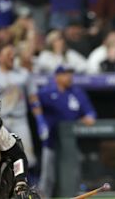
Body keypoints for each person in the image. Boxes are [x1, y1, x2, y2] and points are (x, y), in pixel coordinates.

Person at [37, 65, 96, 197]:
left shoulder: (77, 92)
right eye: (65, 74)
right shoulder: (46, 92)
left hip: (70, 142)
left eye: (70, 73)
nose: (69, 77)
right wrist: (41, 121)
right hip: (51, 140)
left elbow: (90, 111)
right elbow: (34, 104)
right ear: (57, 77)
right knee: (48, 176)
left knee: (73, 173)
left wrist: (89, 117)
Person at [0, 44, 40, 171]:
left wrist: (40, 119)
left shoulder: (23, 73)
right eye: (8, 54)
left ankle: (25, 186)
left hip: (19, 119)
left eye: (13, 54)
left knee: (27, 156)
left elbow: (33, 97)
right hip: (1, 120)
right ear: (0, 57)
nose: (11, 57)